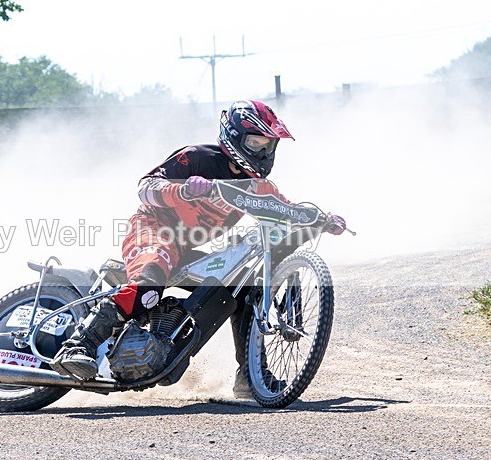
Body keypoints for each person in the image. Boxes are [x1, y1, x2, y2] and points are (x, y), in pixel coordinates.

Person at [50, 100, 346, 395]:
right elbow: (146, 187)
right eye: (255, 143)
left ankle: (250, 375)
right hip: (152, 230)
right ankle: (78, 345)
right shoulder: (197, 158)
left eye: (268, 145)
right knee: (149, 286)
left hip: (185, 249)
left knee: (243, 292)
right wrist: (183, 189)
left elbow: (285, 210)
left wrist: (321, 219)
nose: (262, 152)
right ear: (234, 137)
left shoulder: (259, 187)